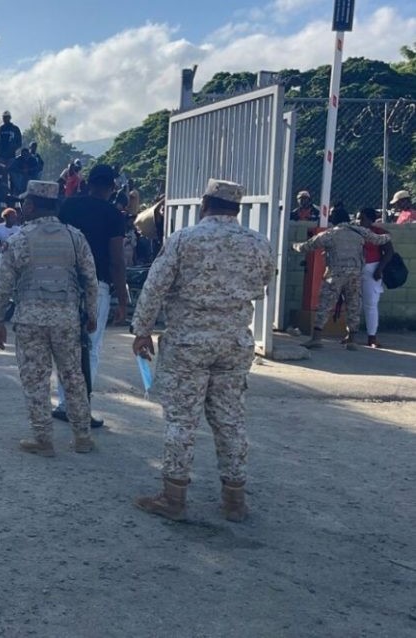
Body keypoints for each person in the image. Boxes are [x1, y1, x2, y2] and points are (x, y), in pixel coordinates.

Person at [130, 179, 275, 523]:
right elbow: (264, 283)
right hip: (234, 343)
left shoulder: (184, 240)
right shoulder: (259, 243)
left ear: (204, 204)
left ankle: (173, 496)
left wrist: (142, 331)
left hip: (188, 344)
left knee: (181, 420)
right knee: (230, 420)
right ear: (236, 209)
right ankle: (234, 500)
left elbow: (155, 287)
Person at [0, 180, 98, 456]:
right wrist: (92, 314)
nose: (23, 207)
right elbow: (90, 279)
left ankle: (43, 440)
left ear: (32, 205)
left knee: (35, 379)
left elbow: (0, 284)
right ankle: (83, 437)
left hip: (30, 321)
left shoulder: (19, 239)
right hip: (67, 318)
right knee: (73, 376)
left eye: (25, 203)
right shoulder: (75, 237)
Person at [52, 164, 129, 428]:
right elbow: (117, 260)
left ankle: (63, 403)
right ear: (113, 186)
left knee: (65, 345)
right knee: (91, 349)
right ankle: (80, 405)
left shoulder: (69, 206)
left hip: (65, 283)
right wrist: (124, 298)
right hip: (98, 286)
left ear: (88, 182)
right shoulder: (114, 215)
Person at [294, 206, 391, 350]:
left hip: (335, 274)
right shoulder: (360, 231)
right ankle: (351, 339)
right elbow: (380, 239)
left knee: (325, 305)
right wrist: (388, 235)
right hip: (355, 274)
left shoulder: (330, 234)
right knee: (354, 305)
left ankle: (316, 338)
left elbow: (307, 247)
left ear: (334, 220)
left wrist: (293, 246)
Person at [358, 207, 394, 348]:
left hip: (372, 268)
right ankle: (350, 335)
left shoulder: (379, 233)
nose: (360, 221)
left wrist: (380, 269)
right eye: (359, 218)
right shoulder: (355, 232)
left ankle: (372, 336)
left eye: (363, 218)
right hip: (355, 269)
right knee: (353, 303)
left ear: (370, 219)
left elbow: (389, 252)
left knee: (371, 303)